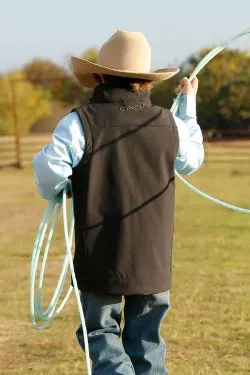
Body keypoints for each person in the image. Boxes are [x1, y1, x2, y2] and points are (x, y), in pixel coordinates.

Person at [33, 30, 204, 375]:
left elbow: (50, 172)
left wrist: (67, 185)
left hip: (100, 257)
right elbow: (192, 159)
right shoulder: (169, 123)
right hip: (152, 260)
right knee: (148, 343)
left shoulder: (78, 123)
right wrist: (188, 105)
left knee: (101, 334)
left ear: (98, 76)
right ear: (146, 81)